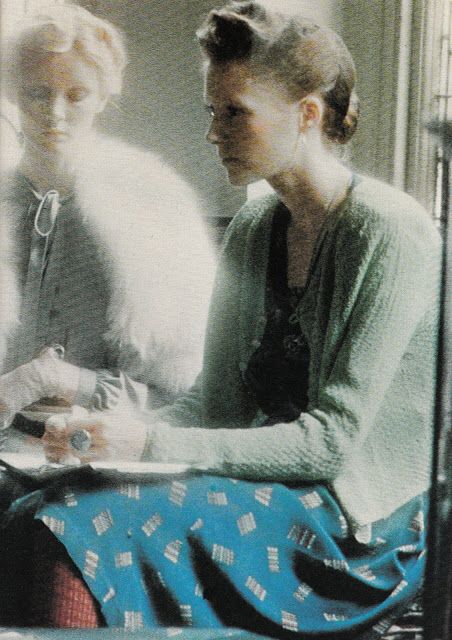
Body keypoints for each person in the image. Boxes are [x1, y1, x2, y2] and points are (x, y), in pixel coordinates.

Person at [7, 1, 440, 637]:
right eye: (213, 112)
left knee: (68, 529)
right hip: (269, 490)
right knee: (28, 504)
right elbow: (213, 405)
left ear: (308, 114)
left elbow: (330, 443)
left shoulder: (387, 230)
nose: (214, 133)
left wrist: (145, 444)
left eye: (234, 113)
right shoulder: (256, 226)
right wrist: (106, 432)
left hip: (356, 526)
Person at [0, 4, 215, 449]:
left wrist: (58, 380)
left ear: (102, 98)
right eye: (38, 93)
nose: (55, 112)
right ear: (13, 94)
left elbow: (180, 387)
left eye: (76, 95)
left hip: (105, 445)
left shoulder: (153, 202)